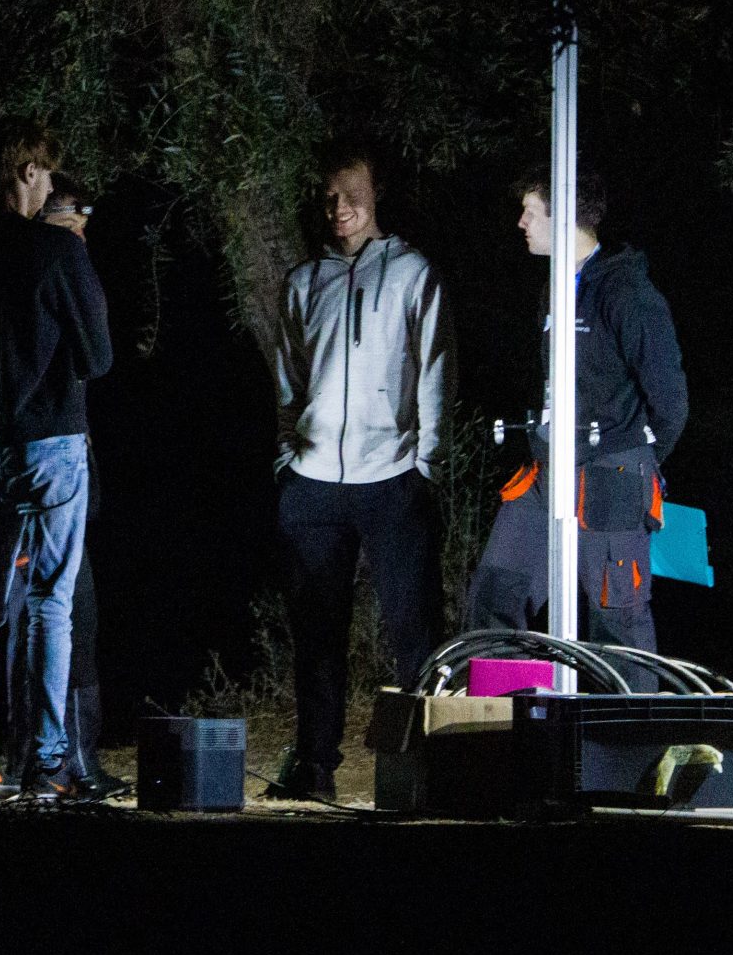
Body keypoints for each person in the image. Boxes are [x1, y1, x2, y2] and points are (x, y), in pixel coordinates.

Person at [266, 147, 450, 803]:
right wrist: (288, 456)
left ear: (376, 195)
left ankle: (427, 770)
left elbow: (435, 370)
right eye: (328, 196)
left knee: (414, 632)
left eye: (350, 194)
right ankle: (316, 767)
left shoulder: (412, 273)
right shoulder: (303, 281)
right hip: (313, 480)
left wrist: (427, 463)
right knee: (317, 635)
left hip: (393, 475)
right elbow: (286, 378)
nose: (338, 207)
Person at [0, 119, 113, 804]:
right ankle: (46, 761)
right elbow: (98, 355)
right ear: (29, 171)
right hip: (52, 442)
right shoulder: (56, 250)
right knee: (50, 603)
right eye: (45, 175)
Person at [466, 168, 689, 661]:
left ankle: (628, 715)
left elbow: (671, 401)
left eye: (531, 211)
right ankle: (510, 706)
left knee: (617, 620)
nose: (521, 222)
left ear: (563, 215)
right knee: (495, 596)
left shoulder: (627, 292)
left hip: (610, 476)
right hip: (549, 471)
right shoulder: (555, 286)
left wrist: (633, 458)